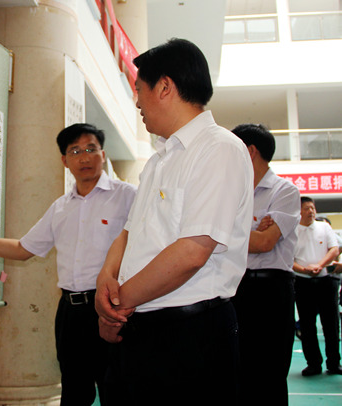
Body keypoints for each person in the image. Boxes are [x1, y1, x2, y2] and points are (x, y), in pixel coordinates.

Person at [95, 38, 253, 405]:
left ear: (164, 87)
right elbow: (129, 233)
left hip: (190, 334)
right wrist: (106, 277)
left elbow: (192, 253)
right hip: (139, 326)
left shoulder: (220, 149)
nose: (136, 102)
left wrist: (115, 306)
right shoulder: (159, 161)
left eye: (139, 89)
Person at [0, 123, 137, 405]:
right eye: (75, 151)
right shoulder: (60, 208)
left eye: (91, 149)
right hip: (70, 312)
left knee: (116, 386)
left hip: (112, 306)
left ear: (103, 155)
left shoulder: (127, 196)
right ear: (64, 160)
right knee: (74, 389)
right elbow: (22, 249)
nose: (84, 157)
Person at [230, 123, 300, 405]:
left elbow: (264, 243)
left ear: (250, 151)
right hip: (236, 287)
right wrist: (254, 230)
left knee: (270, 373)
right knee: (238, 369)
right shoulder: (233, 194)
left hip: (272, 290)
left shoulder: (284, 191)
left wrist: (226, 233)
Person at [293, 197, 341, 376]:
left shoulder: (324, 227)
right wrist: (304, 269)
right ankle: (313, 363)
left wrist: (319, 265)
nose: (311, 211)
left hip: (325, 281)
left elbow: (334, 249)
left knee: (331, 324)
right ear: (298, 211)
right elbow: (287, 258)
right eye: (306, 208)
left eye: (312, 208)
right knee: (307, 325)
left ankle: (334, 363)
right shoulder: (292, 231)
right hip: (302, 282)